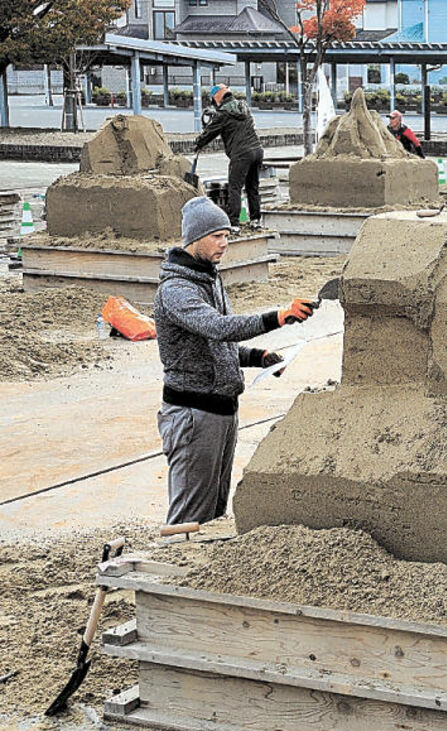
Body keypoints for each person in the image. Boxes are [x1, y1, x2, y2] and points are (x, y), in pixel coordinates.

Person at [155, 196, 318, 524]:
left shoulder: (209, 278)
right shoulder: (175, 290)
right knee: (189, 519)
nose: (225, 243)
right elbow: (216, 327)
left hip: (220, 412)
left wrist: (260, 358)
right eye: (217, 236)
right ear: (195, 239)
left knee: (214, 515)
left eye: (227, 235)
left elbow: (211, 348)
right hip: (193, 415)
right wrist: (278, 317)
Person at [194, 84, 264, 225]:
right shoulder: (243, 107)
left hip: (242, 153)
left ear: (217, 98)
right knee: (252, 187)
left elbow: (209, 134)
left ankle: (233, 223)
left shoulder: (222, 115)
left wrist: (197, 143)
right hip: (257, 151)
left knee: (234, 188)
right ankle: (256, 220)